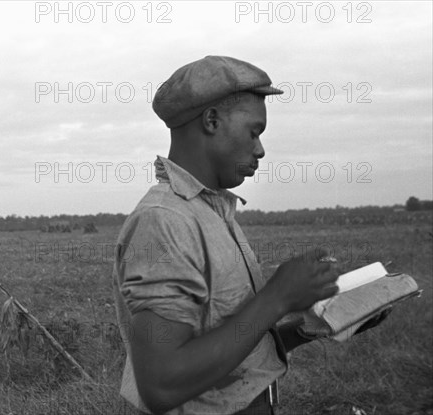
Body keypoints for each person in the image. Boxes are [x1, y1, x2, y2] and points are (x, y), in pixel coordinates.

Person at [111, 55, 385, 415]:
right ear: (212, 121)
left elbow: (232, 347)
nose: (260, 149)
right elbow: (162, 383)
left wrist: (308, 328)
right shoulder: (166, 222)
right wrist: (276, 297)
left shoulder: (211, 212)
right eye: (254, 132)